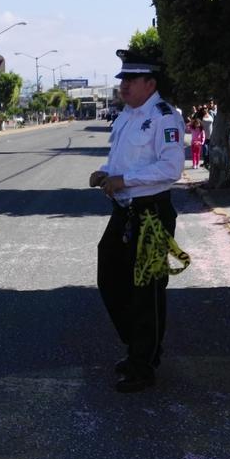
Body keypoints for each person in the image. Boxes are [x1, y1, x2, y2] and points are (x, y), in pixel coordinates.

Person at [90, 50, 185, 393]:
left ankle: (143, 363)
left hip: (151, 213)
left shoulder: (165, 117)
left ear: (150, 83)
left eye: (130, 80)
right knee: (110, 277)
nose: (123, 86)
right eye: (122, 80)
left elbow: (171, 169)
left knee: (147, 290)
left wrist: (124, 180)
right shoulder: (127, 116)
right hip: (125, 211)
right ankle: (140, 348)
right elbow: (124, 159)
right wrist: (106, 174)